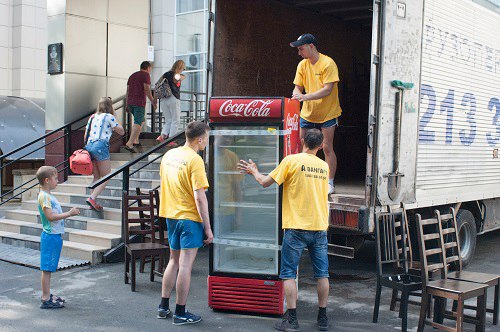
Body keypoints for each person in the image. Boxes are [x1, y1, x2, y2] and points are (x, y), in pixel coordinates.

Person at [238, 129, 330, 332]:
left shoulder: (292, 161)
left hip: (296, 227)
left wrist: (253, 170)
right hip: (319, 226)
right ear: (321, 146)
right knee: (322, 274)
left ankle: (293, 320)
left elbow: (264, 182)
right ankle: (322, 319)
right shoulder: (324, 166)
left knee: (288, 274)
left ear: (302, 140)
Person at [157, 121, 214, 326]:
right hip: (189, 218)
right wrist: (207, 228)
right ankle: (180, 312)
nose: (207, 142)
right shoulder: (195, 160)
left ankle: (164, 306)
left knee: (173, 261)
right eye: (206, 138)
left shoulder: (169, 155)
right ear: (200, 139)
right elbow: (200, 198)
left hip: (170, 215)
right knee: (185, 266)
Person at [290, 33, 342, 194]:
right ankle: (306, 179)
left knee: (326, 147)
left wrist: (304, 97)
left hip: (327, 112)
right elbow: (297, 87)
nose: (299, 53)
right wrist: (296, 95)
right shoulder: (302, 65)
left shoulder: (328, 63)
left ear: (312, 46)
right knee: (304, 146)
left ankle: (329, 183)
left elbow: (327, 90)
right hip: (308, 113)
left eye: (301, 49)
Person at [36, 166, 80, 309]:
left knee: (49, 268)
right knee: (47, 269)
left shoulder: (48, 195)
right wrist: (69, 213)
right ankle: (45, 297)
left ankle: (47, 294)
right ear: (47, 180)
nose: (58, 180)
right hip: (50, 236)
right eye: (55, 178)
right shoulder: (43, 196)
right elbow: (50, 217)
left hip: (54, 236)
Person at [84, 97, 125, 211]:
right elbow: (121, 131)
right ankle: (92, 198)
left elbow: (85, 134)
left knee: (96, 176)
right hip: (100, 146)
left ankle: (92, 200)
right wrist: (115, 116)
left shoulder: (92, 117)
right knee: (107, 176)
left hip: (89, 145)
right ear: (110, 106)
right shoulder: (109, 117)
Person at [124, 61, 157, 152]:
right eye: (150, 69)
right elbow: (147, 89)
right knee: (138, 122)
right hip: (139, 103)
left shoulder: (132, 75)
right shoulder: (146, 75)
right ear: (148, 68)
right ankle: (130, 143)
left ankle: (136, 139)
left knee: (141, 120)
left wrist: (127, 104)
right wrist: (153, 101)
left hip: (131, 102)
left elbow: (127, 90)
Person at [156, 60, 186, 145]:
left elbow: (157, 84)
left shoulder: (165, 74)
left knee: (169, 120)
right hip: (173, 98)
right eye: (183, 68)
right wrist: (183, 76)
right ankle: (171, 140)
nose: (183, 70)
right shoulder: (176, 75)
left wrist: (155, 100)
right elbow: (177, 79)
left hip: (164, 99)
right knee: (176, 120)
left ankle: (162, 135)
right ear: (180, 67)